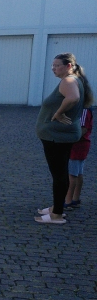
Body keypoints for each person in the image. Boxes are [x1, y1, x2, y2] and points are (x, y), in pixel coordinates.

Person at [35, 52, 91, 225]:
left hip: (57, 136)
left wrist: (58, 113)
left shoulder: (68, 81)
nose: (53, 68)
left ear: (68, 66)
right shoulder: (74, 80)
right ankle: (56, 207)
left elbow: (73, 98)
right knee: (61, 173)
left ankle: (57, 215)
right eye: (52, 65)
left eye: (57, 65)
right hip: (60, 135)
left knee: (59, 175)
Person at [65, 106, 93, 210]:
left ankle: (68, 201)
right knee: (78, 173)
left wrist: (68, 139)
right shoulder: (84, 109)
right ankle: (75, 198)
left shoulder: (84, 110)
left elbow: (82, 129)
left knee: (72, 174)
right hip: (81, 145)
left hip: (77, 145)